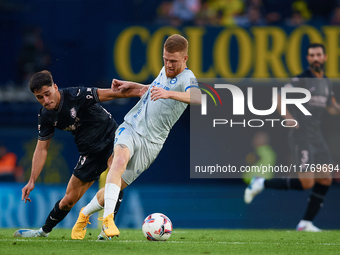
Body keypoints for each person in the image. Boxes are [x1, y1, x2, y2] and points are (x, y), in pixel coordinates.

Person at [72, 34, 201, 240]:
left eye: (173, 61)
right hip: (132, 127)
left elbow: (197, 97)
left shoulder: (187, 77)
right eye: (165, 59)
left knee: (111, 191)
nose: (168, 64)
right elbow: (150, 90)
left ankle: (84, 214)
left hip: (152, 143)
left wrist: (169, 94)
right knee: (119, 161)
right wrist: (131, 86)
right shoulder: (165, 69)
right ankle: (107, 221)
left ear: (185, 58)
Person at [13, 70, 142, 238]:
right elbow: (42, 149)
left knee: (114, 174)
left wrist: (143, 89)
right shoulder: (45, 115)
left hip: (112, 139)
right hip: (89, 153)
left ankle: (107, 228)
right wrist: (31, 181)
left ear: (55, 87)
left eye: (47, 94)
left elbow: (112, 94)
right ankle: (43, 232)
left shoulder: (75, 95)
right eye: (39, 97)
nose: (45, 100)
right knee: (68, 201)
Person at [244, 43, 340, 231]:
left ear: (325, 57)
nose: (315, 58)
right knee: (306, 183)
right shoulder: (302, 79)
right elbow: (278, 97)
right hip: (301, 135)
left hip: (316, 136)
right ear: (308, 58)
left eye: (318, 55)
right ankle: (260, 182)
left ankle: (305, 223)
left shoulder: (327, 82)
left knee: (325, 178)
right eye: (311, 55)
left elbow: (332, 107)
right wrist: (288, 118)